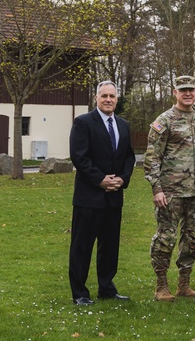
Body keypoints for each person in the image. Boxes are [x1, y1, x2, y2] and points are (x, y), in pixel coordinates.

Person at [143, 75, 195, 301]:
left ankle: (184, 283)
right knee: (166, 238)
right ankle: (161, 285)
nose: (188, 94)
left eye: (191, 90)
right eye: (183, 90)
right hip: (171, 192)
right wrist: (157, 188)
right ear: (176, 92)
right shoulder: (165, 120)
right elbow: (152, 157)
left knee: (194, 238)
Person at [68, 81, 136, 305]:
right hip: (89, 198)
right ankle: (80, 293)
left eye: (112, 96)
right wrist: (100, 180)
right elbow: (79, 156)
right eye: (104, 95)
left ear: (117, 99)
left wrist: (122, 179)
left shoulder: (123, 124)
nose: (108, 99)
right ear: (96, 98)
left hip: (114, 198)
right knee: (82, 247)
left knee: (110, 248)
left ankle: (107, 288)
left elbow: (128, 157)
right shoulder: (83, 122)